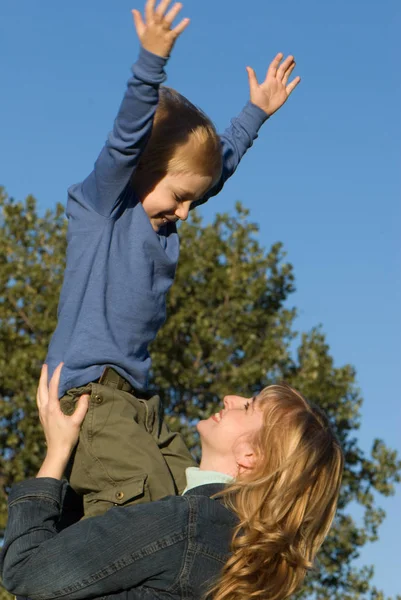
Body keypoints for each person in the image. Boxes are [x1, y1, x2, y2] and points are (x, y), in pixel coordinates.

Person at [43, 0, 302, 517]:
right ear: (142, 169)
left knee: (198, 496)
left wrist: (256, 113)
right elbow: (126, 141)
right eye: (180, 197)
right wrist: (151, 63)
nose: (186, 212)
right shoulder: (103, 210)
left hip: (139, 401)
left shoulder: (162, 206)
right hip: (92, 396)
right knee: (145, 509)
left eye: (193, 201)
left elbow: (216, 164)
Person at [1, 364, 344, 600]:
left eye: (248, 407)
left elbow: (25, 572)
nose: (230, 399)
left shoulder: (188, 524)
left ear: (251, 456)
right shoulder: (236, 552)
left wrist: (57, 452)